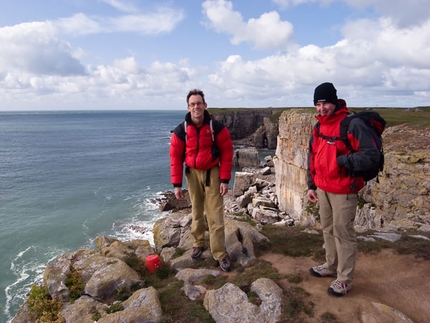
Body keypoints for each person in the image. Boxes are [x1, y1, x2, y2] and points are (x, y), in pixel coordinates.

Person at [306, 82, 380, 296]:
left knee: (343, 233)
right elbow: (313, 156)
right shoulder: (318, 126)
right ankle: (330, 266)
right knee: (327, 229)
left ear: (335, 102)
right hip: (323, 188)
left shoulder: (351, 124)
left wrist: (343, 161)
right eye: (318, 104)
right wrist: (311, 185)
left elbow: (371, 155)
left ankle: (345, 279)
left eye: (325, 103)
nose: (322, 108)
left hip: (344, 189)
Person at [169, 89, 234, 272]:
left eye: (199, 103)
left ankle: (220, 253)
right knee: (196, 210)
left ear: (205, 105)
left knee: (215, 213)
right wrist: (176, 185)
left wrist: (224, 179)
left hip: (212, 171)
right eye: (193, 104)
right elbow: (175, 157)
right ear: (188, 107)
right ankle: (198, 242)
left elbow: (227, 152)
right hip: (192, 173)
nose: (196, 107)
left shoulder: (216, 127)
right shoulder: (182, 130)